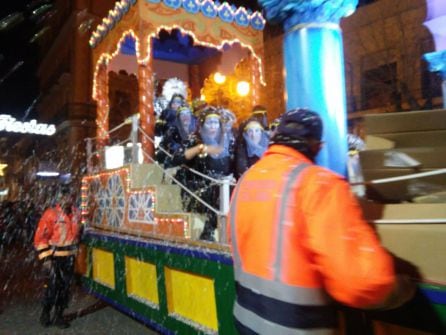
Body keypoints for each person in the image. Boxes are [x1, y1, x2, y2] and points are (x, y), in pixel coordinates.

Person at [227, 108, 415, 334]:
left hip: (246, 321)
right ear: (317, 145)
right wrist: (399, 288)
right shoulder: (318, 184)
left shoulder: (245, 181)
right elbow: (360, 282)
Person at [170, 107, 234, 241]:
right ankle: (208, 230)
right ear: (202, 124)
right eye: (209, 122)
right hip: (198, 189)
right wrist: (198, 149)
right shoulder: (195, 139)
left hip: (223, 186)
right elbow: (176, 159)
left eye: (216, 122)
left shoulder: (227, 141)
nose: (213, 126)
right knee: (217, 192)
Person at [33, 185, 82, 329]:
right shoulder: (51, 214)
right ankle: (46, 313)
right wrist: (46, 259)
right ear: (59, 198)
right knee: (52, 288)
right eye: (64, 197)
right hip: (54, 259)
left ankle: (58, 316)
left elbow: (78, 234)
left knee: (65, 289)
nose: (67, 199)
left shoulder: (76, 214)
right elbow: (40, 239)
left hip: (69, 258)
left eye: (69, 196)